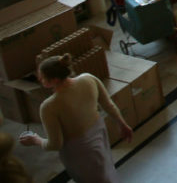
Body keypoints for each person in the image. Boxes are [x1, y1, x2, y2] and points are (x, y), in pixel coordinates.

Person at [19, 54, 132, 183]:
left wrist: (36, 140)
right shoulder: (88, 79)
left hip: (78, 150)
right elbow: (108, 105)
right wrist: (122, 124)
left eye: (42, 77)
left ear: (54, 80)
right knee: (106, 170)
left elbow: (55, 144)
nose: (39, 79)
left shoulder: (49, 106)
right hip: (99, 135)